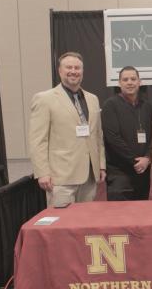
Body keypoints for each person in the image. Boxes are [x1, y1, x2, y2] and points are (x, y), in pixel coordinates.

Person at [28, 51, 105, 207]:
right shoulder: (44, 99)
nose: (73, 71)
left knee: (85, 224)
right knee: (61, 226)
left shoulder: (92, 99)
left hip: (89, 176)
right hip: (61, 178)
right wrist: (42, 173)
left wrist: (101, 165)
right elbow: (38, 140)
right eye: (68, 67)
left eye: (77, 68)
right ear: (60, 71)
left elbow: (97, 136)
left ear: (82, 71)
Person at [101, 66, 152, 200]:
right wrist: (135, 161)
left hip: (143, 172)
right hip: (119, 173)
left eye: (133, 79)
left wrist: (147, 158)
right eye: (125, 79)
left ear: (139, 82)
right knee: (120, 217)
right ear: (119, 83)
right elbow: (112, 138)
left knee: (141, 215)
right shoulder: (110, 105)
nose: (129, 82)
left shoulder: (147, 107)